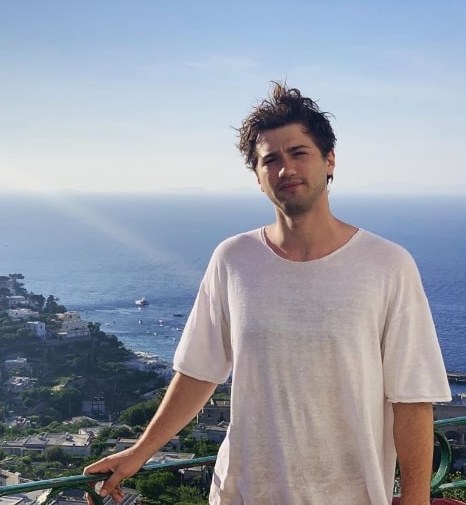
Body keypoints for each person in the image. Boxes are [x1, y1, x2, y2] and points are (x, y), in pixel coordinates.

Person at [84, 82, 452, 504]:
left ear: (329, 160)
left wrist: (418, 497)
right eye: (270, 159)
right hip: (243, 493)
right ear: (258, 178)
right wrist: (140, 452)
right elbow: (199, 372)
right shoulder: (233, 259)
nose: (286, 169)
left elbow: (412, 397)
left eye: (299, 153)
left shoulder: (387, 265)